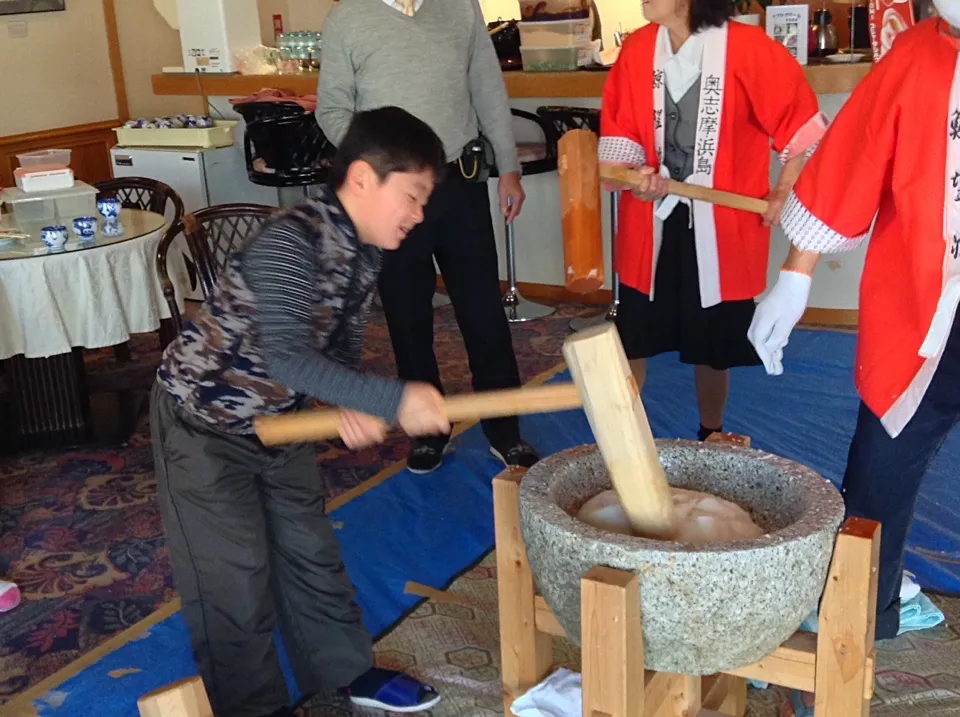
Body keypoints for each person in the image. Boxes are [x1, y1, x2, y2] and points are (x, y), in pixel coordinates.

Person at [152, 107, 450, 717]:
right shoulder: (291, 240)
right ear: (364, 178)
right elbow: (286, 355)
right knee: (232, 580)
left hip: (281, 426)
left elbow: (332, 350)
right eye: (414, 196)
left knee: (311, 553)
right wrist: (393, 398)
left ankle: (346, 674)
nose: (419, 215)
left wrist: (347, 403)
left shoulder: (363, 253)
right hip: (202, 426)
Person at [747, 11, 959, 641]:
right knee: (880, 472)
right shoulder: (922, 56)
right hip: (927, 305)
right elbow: (854, 158)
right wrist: (796, 273)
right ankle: (859, 617)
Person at [316, 0, 539, 474]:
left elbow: (486, 88)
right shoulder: (347, 17)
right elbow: (332, 108)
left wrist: (510, 169)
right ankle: (427, 431)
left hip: (460, 184)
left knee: (484, 314)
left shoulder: (460, 8)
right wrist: (379, 164)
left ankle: (505, 430)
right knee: (407, 316)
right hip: (392, 196)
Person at [598, 0, 825, 441]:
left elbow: (801, 127)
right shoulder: (637, 50)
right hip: (652, 223)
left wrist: (782, 191)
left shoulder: (750, 49)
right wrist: (634, 176)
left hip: (722, 226)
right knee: (634, 335)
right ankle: (621, 440)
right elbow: (620, 135)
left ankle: (712, 432)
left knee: (713, 345)